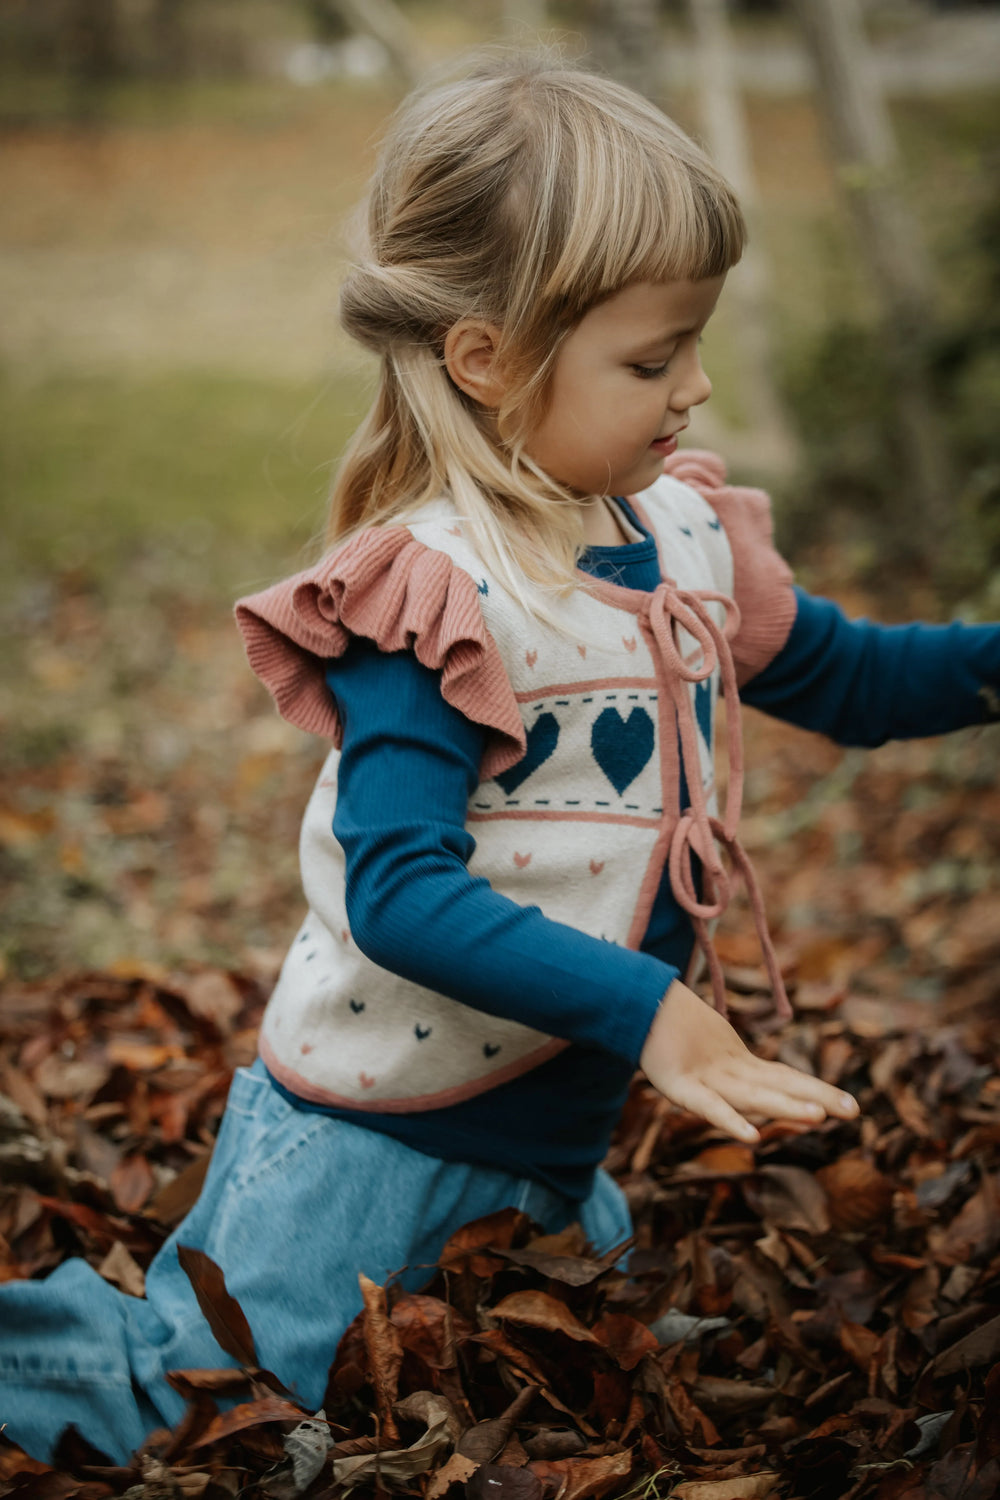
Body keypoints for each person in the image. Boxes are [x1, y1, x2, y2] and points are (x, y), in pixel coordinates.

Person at [2, 55, 998, 1466]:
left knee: (487, 1390)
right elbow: (400, 891)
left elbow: (843, 675)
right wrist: (655, 1014)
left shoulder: (685, 536)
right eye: (651, 360)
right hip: (368, 1138)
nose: (696, 388)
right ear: (487, 357)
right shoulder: (437, 593)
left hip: (544, 1136)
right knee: (182, 1401)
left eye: (694, 345)